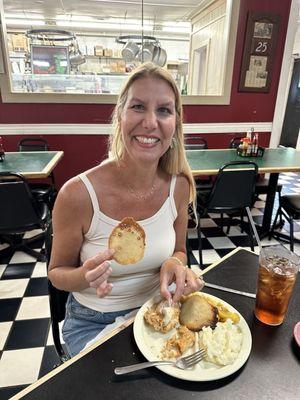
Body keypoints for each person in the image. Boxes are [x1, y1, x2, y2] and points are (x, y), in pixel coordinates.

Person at [48, 62, 204, 357]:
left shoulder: (179, 185)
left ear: (176, 123)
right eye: (138, 107)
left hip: (160, 311)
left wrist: (174, 263)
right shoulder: (77, 194)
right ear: (120, 116)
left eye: (163, 110)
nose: (149, 122)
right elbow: (56, 273)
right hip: (93, 322)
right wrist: (84, 276)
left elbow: (180, 250)